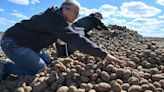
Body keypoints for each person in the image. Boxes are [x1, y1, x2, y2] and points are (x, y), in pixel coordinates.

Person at [0, 0, 126, 80]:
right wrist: (105, 55)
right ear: (65, 9)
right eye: (75, 13)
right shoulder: (55, 20)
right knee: (41, 70)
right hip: (13, 42)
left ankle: (22, 61)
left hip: (30, 45)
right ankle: (5, 67)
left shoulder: (56, 18)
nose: (76, 17)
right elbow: (77, 40)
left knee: (50, 65)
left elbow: (62, 40)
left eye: (78, 14)